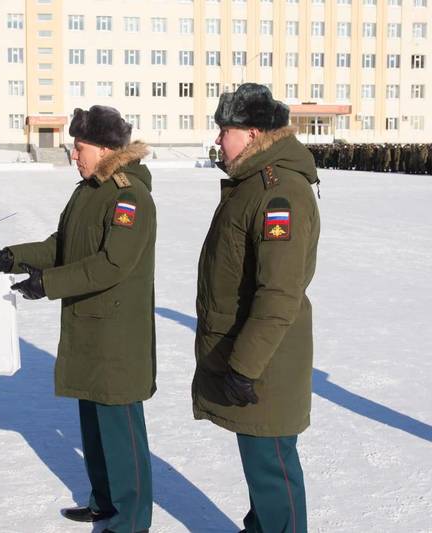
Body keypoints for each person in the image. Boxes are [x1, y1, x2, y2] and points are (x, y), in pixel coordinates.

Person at [0, 105, 156, 533]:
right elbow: (64, 244)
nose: (74, 155)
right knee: (93, 425)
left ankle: (130, 520)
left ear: (106, 148)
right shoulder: (89, 190)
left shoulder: (129, 195)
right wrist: (13, 257)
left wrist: (48, 283)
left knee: (120, 431)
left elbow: (113, 263)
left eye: (79, 147)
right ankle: (104, 502)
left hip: (115, 334)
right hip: (87, 324)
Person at [192, 83, 321, 533]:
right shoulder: (254, 185)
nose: (217, 141)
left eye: (223, 130)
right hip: (254, 352)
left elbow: (278, 292)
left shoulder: (277, 192)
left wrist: (244, 366)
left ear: (250, 133)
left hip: (266, 359)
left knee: (272, 468)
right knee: (261, 466)